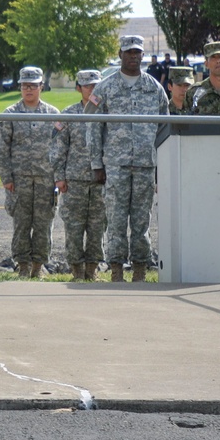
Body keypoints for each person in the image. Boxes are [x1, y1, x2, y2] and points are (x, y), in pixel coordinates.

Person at [87, 35, 169, 282]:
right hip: (115, 166)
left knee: (142, 220)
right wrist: (97, 164)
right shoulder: (104, 88)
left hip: (146, 165)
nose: (133, 56)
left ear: (143, 55)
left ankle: (141, 270)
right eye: (128, 52)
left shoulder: (154, 88)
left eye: (137, 53)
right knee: (116, 219)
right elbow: (92, 126)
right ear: (120, 54)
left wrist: (161, 167)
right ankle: (116, 270)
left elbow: (164, 129)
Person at [0, 66, 60, 279]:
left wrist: (58, 177)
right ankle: (22, 266)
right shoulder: (10, 114)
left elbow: (60, 149)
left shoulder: (53, 114)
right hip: (19, 180)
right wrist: (6, 178)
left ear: (42, 86)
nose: (28, 89)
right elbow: (1, 150)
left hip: (45, 179)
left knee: (43, 224)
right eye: (24, 85)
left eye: (33, 85)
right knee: (21, 224)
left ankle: (38, 267)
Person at [50, 70, 105, 281]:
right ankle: (77, 271)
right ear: (78, 88)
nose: (92, 89)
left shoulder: (107, 112)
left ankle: (92, 270)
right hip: (74, 181)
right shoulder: (69, 114)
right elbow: (57, 149)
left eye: (95, 85)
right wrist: (59, 176)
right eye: (87, 86)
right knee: (73, 227)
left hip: (100, 181)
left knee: (97, 227)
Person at [186, 41, 220, 115]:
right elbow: (185, 123)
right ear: (206, 64)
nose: (218, 61)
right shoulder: (194, 93)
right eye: (213, 57)